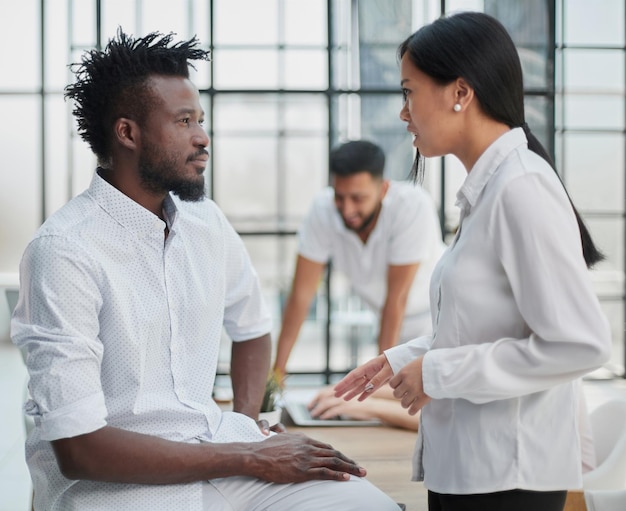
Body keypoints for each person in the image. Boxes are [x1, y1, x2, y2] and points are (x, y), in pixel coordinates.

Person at [10, 29, 401, 511]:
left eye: (200, 119)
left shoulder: (205, 222)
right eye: (183, 121)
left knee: (367, 506)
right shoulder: (64, 251)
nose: (202, 137)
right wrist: (247, 457)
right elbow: (79, 449)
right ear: (128, 132)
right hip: (113, 488)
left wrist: (248, 423)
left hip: (219, 449)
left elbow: (253, 327)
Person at [334, 11, 611, 511]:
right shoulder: (489, 192)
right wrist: (399, 360)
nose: (403, 113)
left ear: (460, 93)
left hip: (508, 480)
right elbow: (482, 326)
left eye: (409, 92)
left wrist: (436, 373)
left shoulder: (520, 188)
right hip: (471, 472)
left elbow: (581, 344)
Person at [273, 140, 446, 377]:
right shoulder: (322, 211)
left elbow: (396, 299)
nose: (347, 210)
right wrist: (277, 375)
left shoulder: (412, 206)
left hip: (438, 323)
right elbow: (301, 296)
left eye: (358, 198)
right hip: (388, 325)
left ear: (384, 189)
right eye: (340, 197)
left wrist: (377, 381)